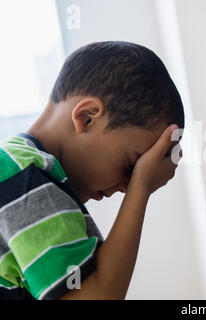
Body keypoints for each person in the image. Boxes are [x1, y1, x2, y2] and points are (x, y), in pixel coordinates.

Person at [0, 41, 184, 300]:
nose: (125, 187)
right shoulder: (23, 174)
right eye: (131, 166)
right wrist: (141, 188)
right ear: (86, 117)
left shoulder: (27, 174)